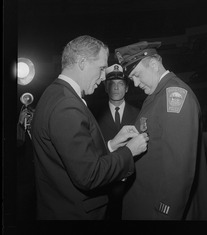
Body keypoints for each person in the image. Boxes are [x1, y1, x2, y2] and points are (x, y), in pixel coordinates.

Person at [31, 35, 149, 220]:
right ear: (82, 62)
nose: (103, 77)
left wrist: (111, 145)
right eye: (101, 68)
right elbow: (89, 176)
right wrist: (128, 151)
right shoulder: (66, 105)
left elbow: (75, 157)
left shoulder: (55, 93)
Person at [115, 41, 207, 220]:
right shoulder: (157, 94)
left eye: (137, 75)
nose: (136, 84)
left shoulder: (175, 96)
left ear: (154, 64)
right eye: (132, 79)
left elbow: (178, 171)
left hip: (160, 210)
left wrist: (165, 213)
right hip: (145, 202)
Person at [98, 63, 140, 220]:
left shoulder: (139, 114)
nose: (116, 88)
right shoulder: (93, 116)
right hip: (103, 185)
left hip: (132, 185)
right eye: (112, 84)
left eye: (120, 84)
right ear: (106, 88)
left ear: (127, 88)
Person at [17, 107, 36, 220]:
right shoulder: (20, 132)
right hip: (24, 183)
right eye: (27, 115)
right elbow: (18, 144)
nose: (29, 118)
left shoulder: (40, 133)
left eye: (32, 114)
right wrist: (20, 124)